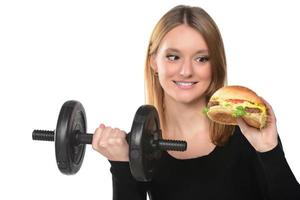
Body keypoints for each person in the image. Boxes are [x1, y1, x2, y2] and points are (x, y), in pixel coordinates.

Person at [92, 5, 300, 200]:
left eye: (201, 59)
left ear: (215, 64)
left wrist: (270, 151)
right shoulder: (140, 147)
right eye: (173, 57)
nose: (186, 71)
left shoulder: (247, 133)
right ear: (153, 62)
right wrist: (121, 165)